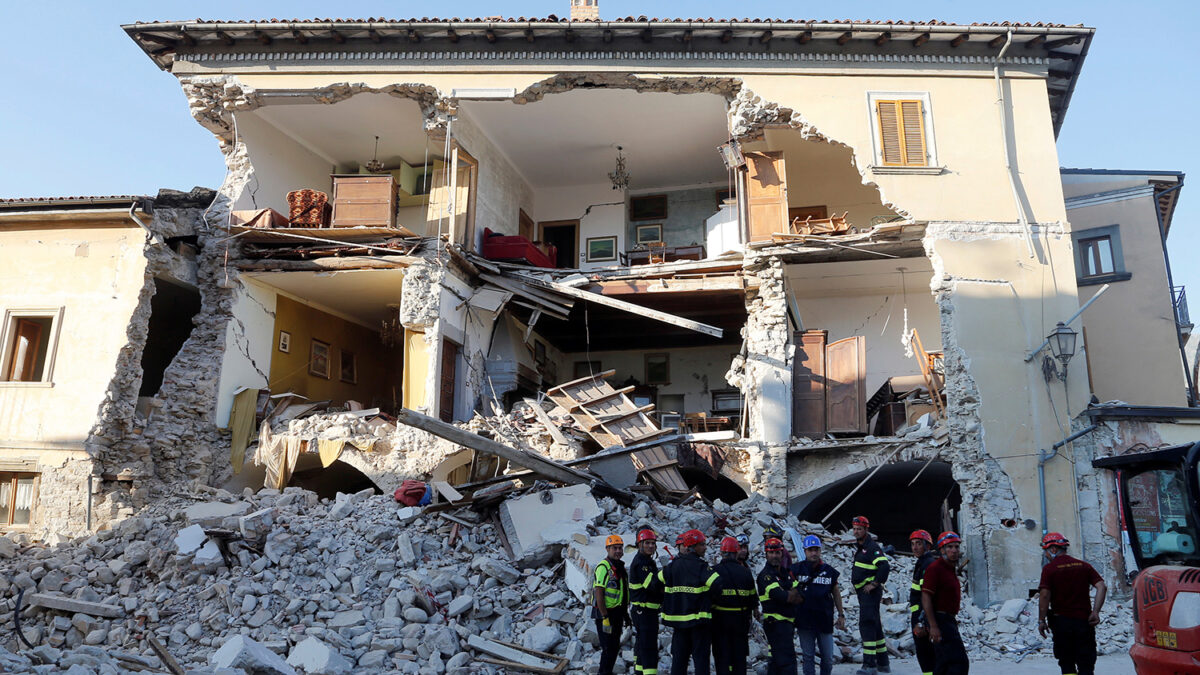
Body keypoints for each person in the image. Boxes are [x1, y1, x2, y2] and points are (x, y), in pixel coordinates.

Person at [1037, 532, 1107, 675]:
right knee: (1086, 663)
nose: (1046, 556)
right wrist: (1095, 612)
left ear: (1053, 549)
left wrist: (1041, 620)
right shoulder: (1084, 566)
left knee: (1066, 662)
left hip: (1062, 623)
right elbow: (1101, 586)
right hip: (1084, 622)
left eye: (1046, 552)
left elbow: (1044, 596)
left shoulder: (1049, 569)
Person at [659, 529, 720, 675]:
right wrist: (708, 599)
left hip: (679, 625)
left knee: (679, 662)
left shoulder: (673, 566)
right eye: (702, 544)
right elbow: (718, 584)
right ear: (693, 546)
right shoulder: (702, 567)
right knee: (701, 662)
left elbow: (656, 582)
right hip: (699, 624)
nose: (705, 547)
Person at [791, 535, 846, 675]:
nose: (813, 553)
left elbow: (836, 592)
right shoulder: (796, 570)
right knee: (808, 657)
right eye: (810, 550)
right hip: (804, 621)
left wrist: (841, 614)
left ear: (820, 550)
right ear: (805, 551)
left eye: (816, 549)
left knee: (827, 658)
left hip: (824, 620)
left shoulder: (829, 571)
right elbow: (788, 592)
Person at [920, 531, 969, 675]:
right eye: (950, 547)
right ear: (942, 550)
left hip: (948, 620)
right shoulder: (935, 569)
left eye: (956, 547)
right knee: (958, 662)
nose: (954, 551)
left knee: (943, 663)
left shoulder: (949, 569)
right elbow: (926, 597)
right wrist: (933, 626)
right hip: (941, 621)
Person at [849, 515, 890, 674]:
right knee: (875, 625)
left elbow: (884, 566)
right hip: (863, 593)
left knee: (866, 624)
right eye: (854, 528)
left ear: (866, 529)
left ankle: (869, 665)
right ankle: (883, 663)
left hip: (869, 594)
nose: (856, 531)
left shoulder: (871, 547)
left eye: (859, 529)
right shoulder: (861, 546)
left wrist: (874, 584)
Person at [712, 536, 758, 675]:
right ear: (735, 552)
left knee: (722, 657)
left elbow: (708, 596)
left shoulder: (714, 571)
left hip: (720, 621)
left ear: (722, 553)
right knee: (739, 658)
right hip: (740, 621)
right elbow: (752, 598)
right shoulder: (745, 572)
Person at [757, 537, 801, 675]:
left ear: (782, 553)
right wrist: (791, 593)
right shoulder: (766, 576)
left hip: (786, 625)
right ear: (766, 554)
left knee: (776, 665)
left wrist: (791, 593)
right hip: (776, 625)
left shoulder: (785, 574)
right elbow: (785, 597)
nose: (774, 556)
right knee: (788, 664)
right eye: (771, 553)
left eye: (777, 552)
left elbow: (800, 596)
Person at [593, 534, 629, 675]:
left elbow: (622, 593)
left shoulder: (619, 567)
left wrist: (625, 614)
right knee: (608, 648)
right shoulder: (604, 567)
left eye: (620, 548)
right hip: (605, 614)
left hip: (617, 613)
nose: (618, 551)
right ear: (607, 549)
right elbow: (599, 592)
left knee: (614, 647)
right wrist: (605, 616)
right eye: (615, 548)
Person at [629, 528, 663, 675]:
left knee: (642, 644)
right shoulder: (642, 563)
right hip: (644, 611)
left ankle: (639, 671)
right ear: (640, 544)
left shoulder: (647, 561)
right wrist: (667, 574)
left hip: (643, 611)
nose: (651, 546)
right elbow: (652, 584)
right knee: (649, 646)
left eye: (653, 543)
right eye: (647, 543)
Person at [908, 530, 938, 675]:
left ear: (927, 546)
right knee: (924, 655)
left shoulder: (928, 565)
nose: (914, 547)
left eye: (918, 544)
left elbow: (929, 597)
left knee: (927, 655)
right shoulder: (921, 563)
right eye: (913, 544)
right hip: (919, 615)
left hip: (922, 618)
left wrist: (922, 622)